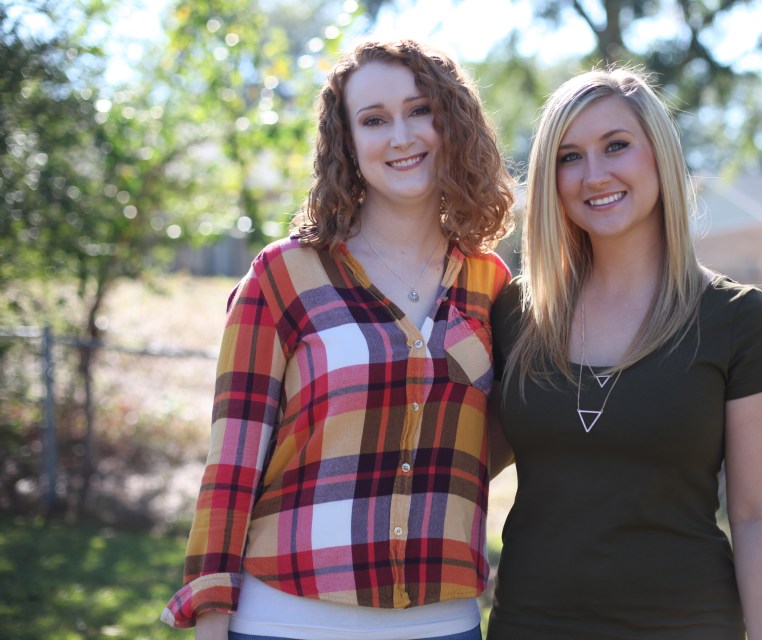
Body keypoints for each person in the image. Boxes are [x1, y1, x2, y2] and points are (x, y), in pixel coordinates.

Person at [161, 39, 515, 640]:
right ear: (348, 144)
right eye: (374, 120)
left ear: (452, 122)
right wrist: (212, 619)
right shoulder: (282, 277)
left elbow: (496, 441)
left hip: (443, 624)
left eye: (419, 109)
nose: (401, 136)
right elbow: (232, 465)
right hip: (286, 620)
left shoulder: (491, 283)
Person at [487, 67, 762, 640]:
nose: (594, 174)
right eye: (569, 156)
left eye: (617, 146)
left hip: (687, 624)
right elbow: (465, 459)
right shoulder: (516, 313)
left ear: (660, 155)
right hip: (530, 623)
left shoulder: (737, 319)